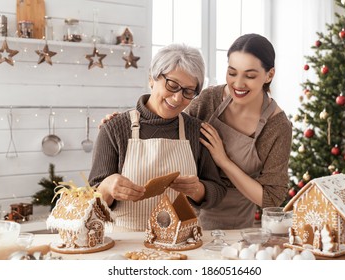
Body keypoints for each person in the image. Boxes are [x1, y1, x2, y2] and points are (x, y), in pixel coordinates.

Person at [89, 44, 227, 232]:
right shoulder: (114, 129)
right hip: (129, 241)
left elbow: (217, 191)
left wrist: (199, 189)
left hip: (183, 239)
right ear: (152, 79)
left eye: (188, 91)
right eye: (172, 85)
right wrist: (107, 187)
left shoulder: (195, 131)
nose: (178, 98)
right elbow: (92, 200)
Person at [184, 33, 292, 230]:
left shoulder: (277, 126)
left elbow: (271, 199)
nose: (238, 84)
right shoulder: (209, 100)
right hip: (185, 211)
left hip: (234, 225)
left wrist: (223, 160)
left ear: (269, 75)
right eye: (232, 73)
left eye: (250, 76)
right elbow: (171, 129)